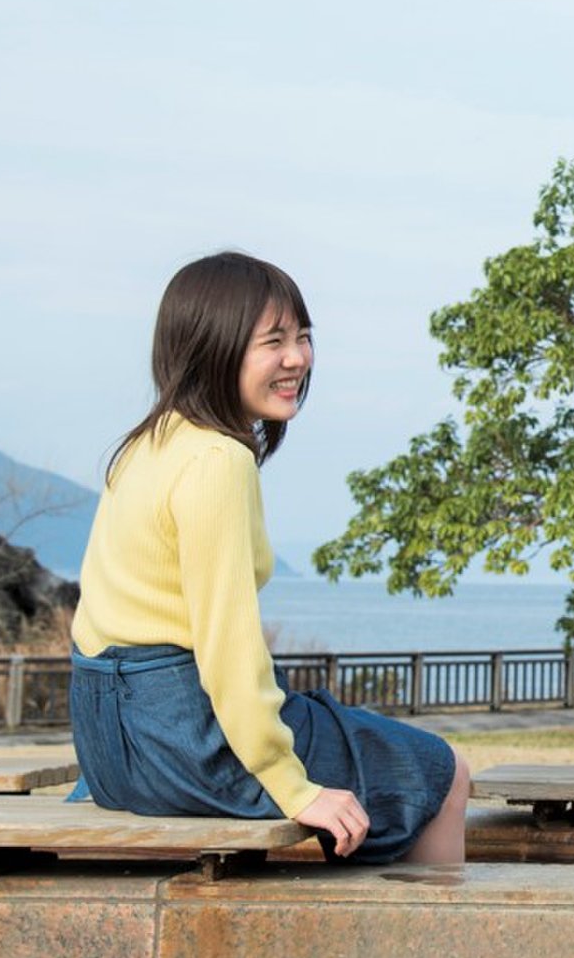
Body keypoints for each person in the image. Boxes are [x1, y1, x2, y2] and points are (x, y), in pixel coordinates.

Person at [69, 251, 471, 864]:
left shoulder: (145, 445)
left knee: (330, 725)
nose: (298, 359)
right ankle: (431, 954)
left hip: (110, 749)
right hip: (189, 739)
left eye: (303, 337)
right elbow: (227, 645)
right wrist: (289, 785)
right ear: (213, 347)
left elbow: (96, 615)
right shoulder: (217, 461)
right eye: (273, 341)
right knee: (443, 773)